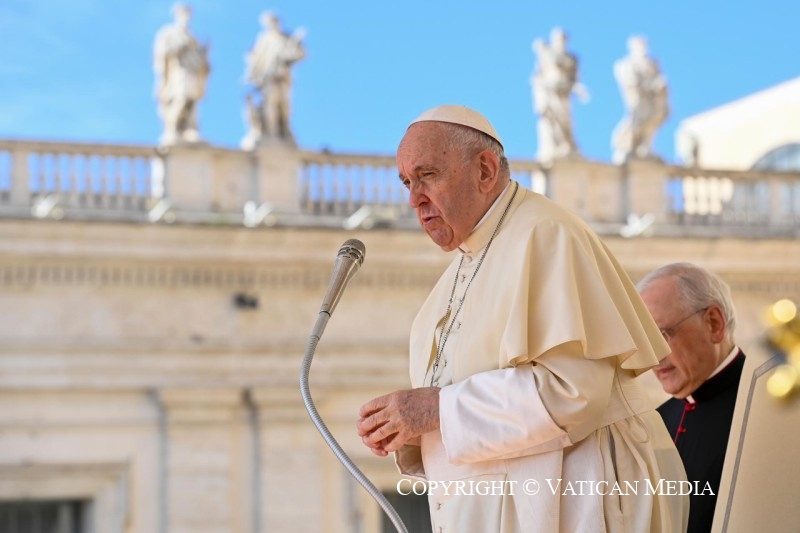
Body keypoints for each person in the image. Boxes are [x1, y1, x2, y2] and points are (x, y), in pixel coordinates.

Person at [357, 105, 689, 532]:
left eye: (428, 175)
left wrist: (435, 410)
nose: (414, 198)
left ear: (485, 169)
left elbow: (572, 392)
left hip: (581, 500)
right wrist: (408, 428)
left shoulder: (546, 234)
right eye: (407, 182)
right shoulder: (456, 273)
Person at [637, 262, 746, 533]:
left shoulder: (770, 410)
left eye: (661, 335)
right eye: (642, 342)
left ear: (713, 323)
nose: (651, 357)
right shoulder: (656, 422)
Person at [242, 11, 306, 147]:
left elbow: (299, 54)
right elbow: (255, 59)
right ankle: (271, 134)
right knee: (270, 103)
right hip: (268, 78)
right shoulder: (264, 40)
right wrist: (251, 74)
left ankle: (283, 131)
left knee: (284, 106)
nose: (273, 24)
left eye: (274, 21)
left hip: (283, 77)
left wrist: (295, 47)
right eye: (270, 22)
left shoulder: (286, 38)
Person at [153, 3, 210, 145]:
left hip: (192, 71)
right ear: (177, 15)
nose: (186, 17)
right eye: (183, 14)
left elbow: (198, 59)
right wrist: (179, 46)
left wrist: (203, 56)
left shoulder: (192, 36)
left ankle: (189, 128)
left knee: (192, 98)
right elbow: (162, 54)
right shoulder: (168, 32)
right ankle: (173, 129)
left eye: (188, 14)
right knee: (181, 97)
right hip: (178, 70)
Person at [530, 27, 589, 163]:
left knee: (565, 121)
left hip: (565, 93)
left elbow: (575, 78)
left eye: (563, 38)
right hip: (550, 92)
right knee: (551, 120)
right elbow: (538, 76)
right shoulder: (546, 54)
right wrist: (540, 96)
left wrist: (578, 89)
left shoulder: (572, 58)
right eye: (558, 38)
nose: (560, 41)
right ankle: (555, 147)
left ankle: (565, 146)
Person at [611, 36, 669, 163]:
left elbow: (658, 77)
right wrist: (648, 86)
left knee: (654, 119)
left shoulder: (652, 63)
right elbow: (630, 81)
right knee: (638, 120)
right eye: (640, 45)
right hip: (639, 98)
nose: (643, 48)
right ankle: (625, 143)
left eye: (645, 45)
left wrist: (660, 84)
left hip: (654, 98)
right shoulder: (626, 64)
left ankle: (645, 146)